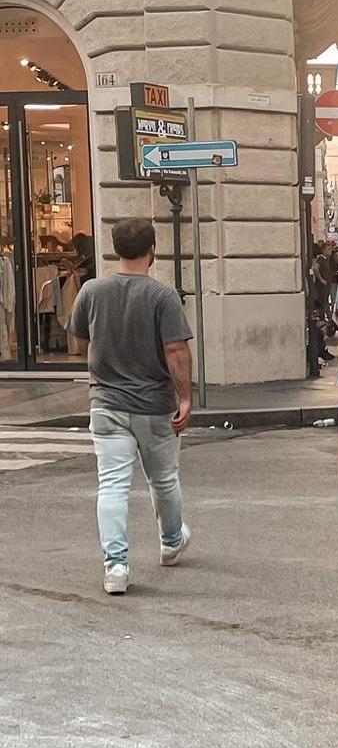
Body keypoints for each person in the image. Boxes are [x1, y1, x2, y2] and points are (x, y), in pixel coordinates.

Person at [67, 218, 193, 596]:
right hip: (153, 405)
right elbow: (175, 351)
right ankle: (171, 541)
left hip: (105, 403)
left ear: (115, 250)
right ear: (152, 250)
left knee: (112, 485)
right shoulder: (163, 296)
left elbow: (78, 339)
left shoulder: (91, 290)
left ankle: (116, 567)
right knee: (164, 477)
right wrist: (184, 397)